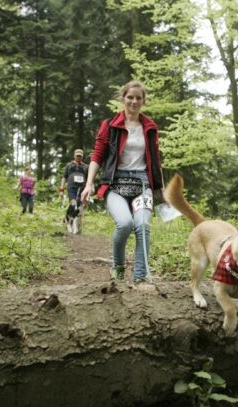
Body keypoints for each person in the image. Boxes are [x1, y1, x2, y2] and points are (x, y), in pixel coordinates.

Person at [81, 80, 163, 283]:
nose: (134, 101)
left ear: (143, 101)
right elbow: (97, 155)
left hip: (142, 185)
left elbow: (155, 159)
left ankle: (141, 277)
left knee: (142, 225)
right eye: (130, 97)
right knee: (125, 224)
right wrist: (89, 183)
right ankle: (117, 265)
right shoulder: (110, 125)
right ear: (123, 99)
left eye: (138, 98)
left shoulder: (150, 127)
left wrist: (160, 188)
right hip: (115, 185)